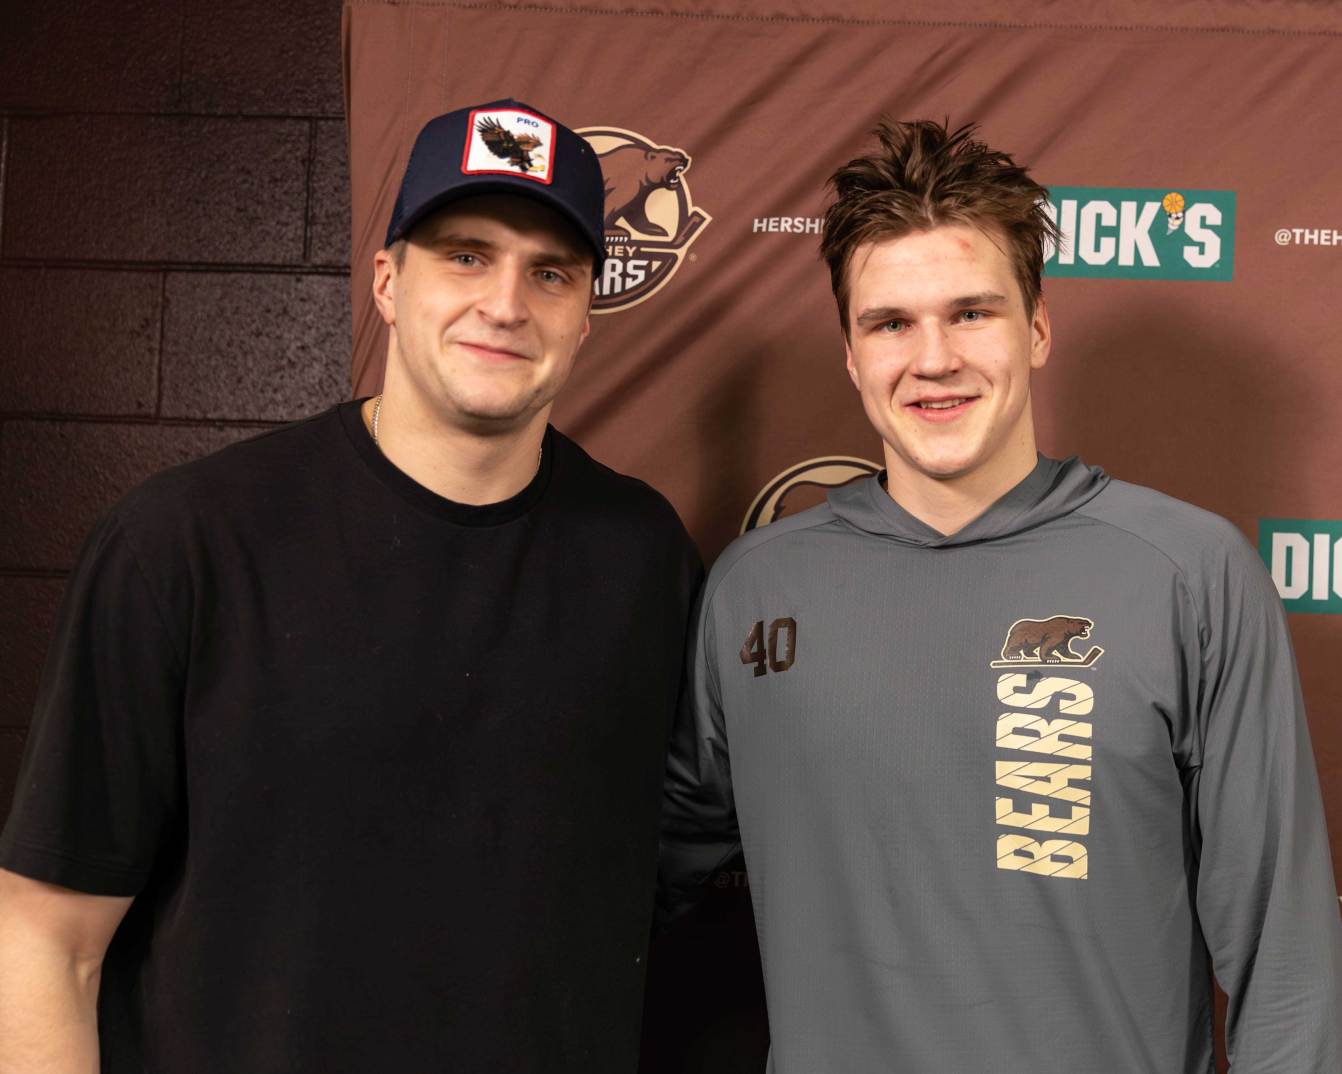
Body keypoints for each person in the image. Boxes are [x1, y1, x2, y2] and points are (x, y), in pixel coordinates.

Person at [0, 99, 701, 1074]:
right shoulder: (187, 540)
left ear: (586, 313)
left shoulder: (643, 557)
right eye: (464, 254)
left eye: (549, 272)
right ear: (385, 280)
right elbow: (44, 939)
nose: (504, 302)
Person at [660, 119, 1342, 1071]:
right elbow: (640, 884)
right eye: (891, 322)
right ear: (852, 355)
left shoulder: (1188, 571)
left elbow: (1287, 960)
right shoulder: (753, 588)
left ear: (1037, 329)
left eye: (971, 313)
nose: (933, 358)